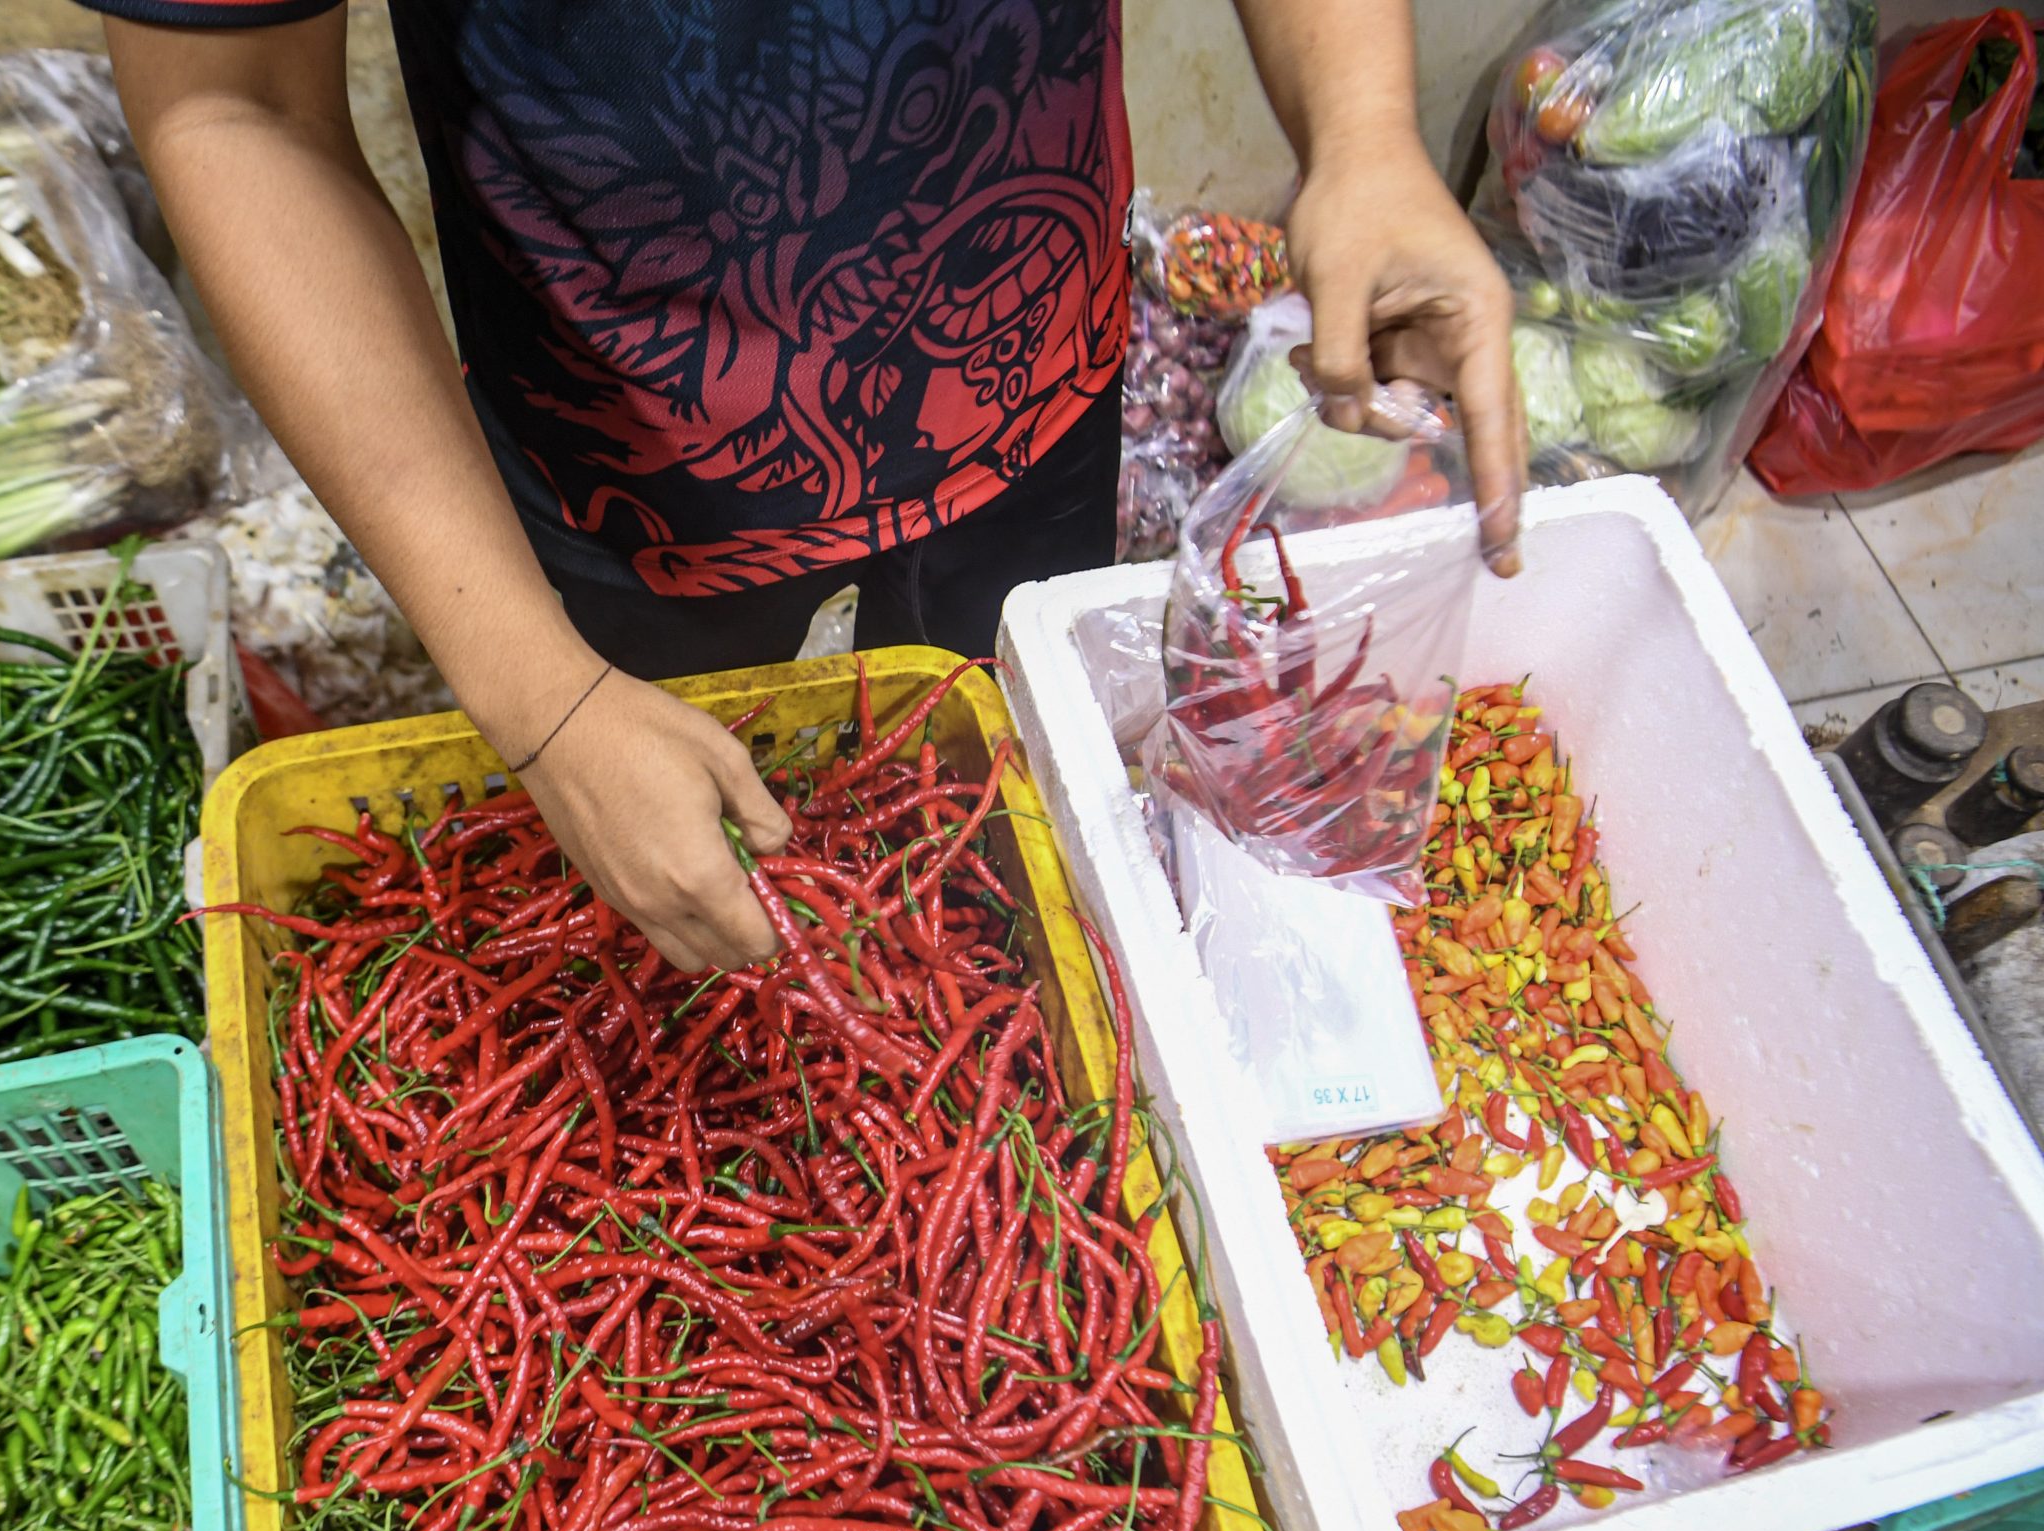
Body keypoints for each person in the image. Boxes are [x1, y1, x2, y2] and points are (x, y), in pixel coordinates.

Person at [88, 0, 1523, 971]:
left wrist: (1365, 130)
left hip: (1032, 349)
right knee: (659, 913)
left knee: (976, 859)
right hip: (625, 457)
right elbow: (236, 104)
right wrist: (543, 695)